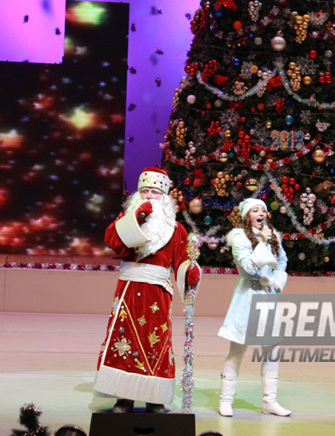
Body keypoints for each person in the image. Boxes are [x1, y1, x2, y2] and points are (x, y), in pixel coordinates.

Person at [93, 167, 201, 414]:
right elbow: (114, 242)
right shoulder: (125, 220)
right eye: (145, 191)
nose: (150, 196)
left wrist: (190, 270)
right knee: (125, 341)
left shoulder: (176, 230)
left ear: (164, 197)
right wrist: (136, 219)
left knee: (156, 343)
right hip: (129, 290)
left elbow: (183, 261)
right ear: (137, 196)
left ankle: (155, 399)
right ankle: (124, 398)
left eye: (155, 192)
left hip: (157, 294)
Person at [217, 198, 291, 417]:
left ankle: (270, 401)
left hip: (267, 298)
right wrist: (264, 243)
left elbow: (283, 262)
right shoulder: (239, 237)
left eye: (264, 210)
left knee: (272, 349)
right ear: (246, 215)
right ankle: (225, 400)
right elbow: (249, 267)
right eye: (255, 210)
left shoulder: (273, 236)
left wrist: (277, 281)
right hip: (247, 297)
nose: (261, 213)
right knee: (237, 350)